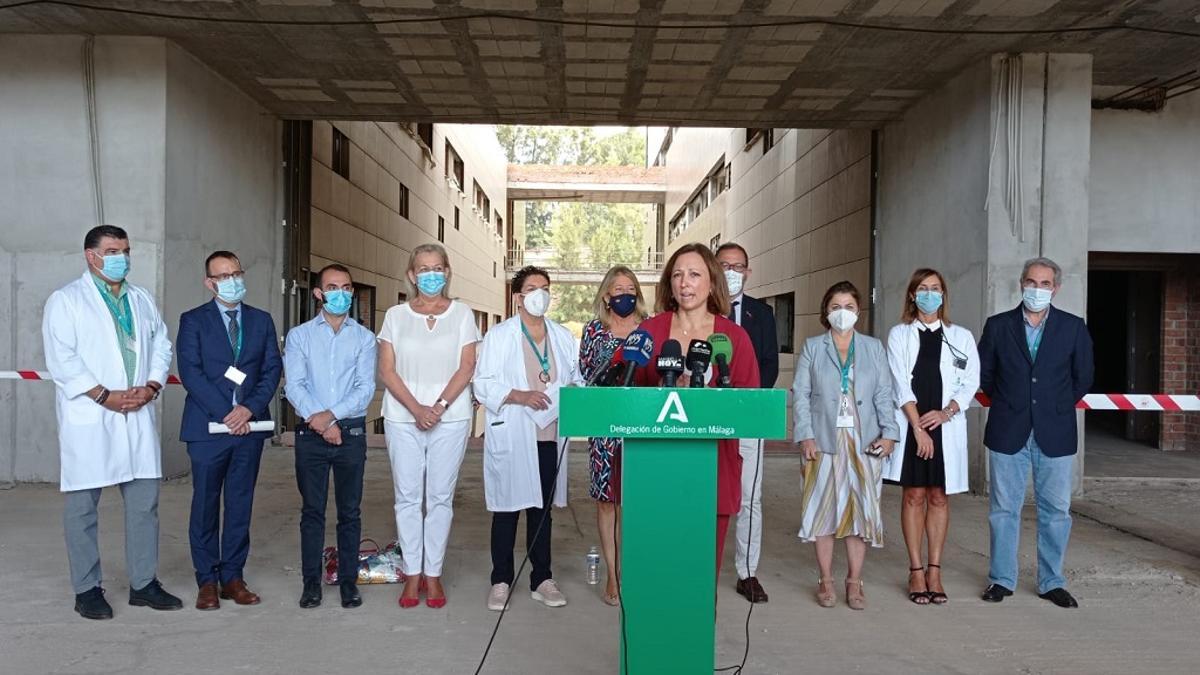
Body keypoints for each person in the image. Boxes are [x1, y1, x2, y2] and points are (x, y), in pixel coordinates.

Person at [42, 225, 183, 620]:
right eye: (112, 250)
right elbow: (62, 358)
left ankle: (143, 584)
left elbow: (161, 342)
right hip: (91, 414)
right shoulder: (67, 300)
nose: (121, 257)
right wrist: (104, 395)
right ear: (91, 256)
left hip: (137, 410)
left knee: (144, 505)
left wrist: (152, 385)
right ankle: (87, 589)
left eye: (125, 249)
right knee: (83, 509)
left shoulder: (140, 298)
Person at [632, 243, 760, 578]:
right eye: (676, 275)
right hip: (655, 471)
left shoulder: (734, 337)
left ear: (711, 282)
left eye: (693, 274)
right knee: (656, 573)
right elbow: (627, 396)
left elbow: (748, 406)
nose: (683, 282)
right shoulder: (649, 331)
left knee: (701, 576)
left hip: (713, 469)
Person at [978, 257, 1093, 608]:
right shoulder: (998, 326)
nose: (1037, 289)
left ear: (1055, 288)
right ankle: (1001, 579)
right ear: (1021, 284)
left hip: (1054, 431)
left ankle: (1051, 582)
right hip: (1008, 428)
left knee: (1056, 511)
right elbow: (984, 375)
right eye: (1031, 281)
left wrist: (1050, 405)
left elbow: (1083, 378)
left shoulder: (1073, 327)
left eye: (1045, 284)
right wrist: (1015, 403)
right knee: (1003, 509)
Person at [177, 250, 282, 610]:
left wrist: (248, 409)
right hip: (208, 427)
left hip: (248, 428)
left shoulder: (261, 320)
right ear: (209, 282)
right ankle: (206, 580)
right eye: (223, 276)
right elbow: (191, 372)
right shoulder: (193, 321)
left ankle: (232, 577)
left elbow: (271, 370)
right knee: (205, 504)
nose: (232, 280)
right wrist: (227, 412)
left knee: (240, 503)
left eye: (236, 273)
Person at [378, 244, 480, 609]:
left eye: (437, 268)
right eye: (423, 269)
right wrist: (416, 408)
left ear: (448, 271)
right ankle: (411, 573)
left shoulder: (463, 314)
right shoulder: (395, 315)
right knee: (407, 497)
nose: (431, 274)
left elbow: (466, 366)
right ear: (411, 275)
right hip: (403, 417)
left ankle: (433, 574)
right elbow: (387, 370)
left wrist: (436, 407)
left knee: (439, 498)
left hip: (449, 418)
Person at [474, 266, 582, 611]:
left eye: (545, 288)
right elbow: (483, 383)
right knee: (507, 508)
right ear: (518, 297)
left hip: (548, 433)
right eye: (533, 288)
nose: (540, 294)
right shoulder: (500, 335)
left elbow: (576, 378)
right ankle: (501, 580)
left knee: (541, 510)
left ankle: (542, 579)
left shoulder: (563, 336)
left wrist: (573, 390)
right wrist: (520, 395)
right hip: (514, 430)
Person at [792, 281, 899, 610]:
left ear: (858, 312)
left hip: (864, 439)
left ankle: (855, 581)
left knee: (860, 513)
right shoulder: (813, 346)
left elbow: (884, 393)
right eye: (836, 306)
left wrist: (890, 433)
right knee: (823, 511)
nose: (843, 313)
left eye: (849, 307)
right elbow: (801, 394)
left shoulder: (872, 347)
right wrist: (805, 435)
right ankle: (825, 579)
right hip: (823, 439)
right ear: (827, 311)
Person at [283, 264, 377, 610]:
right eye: (333, 287)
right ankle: (312, 582)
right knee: (313, 511)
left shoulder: (365, 339)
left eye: (347, 287)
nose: (341, 293)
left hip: (350, 435)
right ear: (319, 293)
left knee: (350, 512)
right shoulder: (300, 336)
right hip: (311, 437)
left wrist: (332, 416)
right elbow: (295, 385)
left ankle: (348, 582)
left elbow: (365, 388)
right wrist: (321, 422)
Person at [884, 269, 979, 605]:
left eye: (935, 289)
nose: (929, 294)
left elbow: (970, 382)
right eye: (923, 289)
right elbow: (899, 382)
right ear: (912, 295)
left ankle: (934, 570)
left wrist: (946, 413)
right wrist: (918, 428)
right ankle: (915, 569)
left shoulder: (961, 336)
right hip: (912, 423)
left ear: (943, 295)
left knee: (939, 496)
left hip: (945, 425)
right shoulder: (899, 334)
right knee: (913, 496)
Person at [578, 265, 648, 606]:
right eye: (618, 290)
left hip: (642, 424)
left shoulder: (649, 328)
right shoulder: (595, 330)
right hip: (605, 424)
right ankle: (612, 573)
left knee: (632, 502)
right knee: (607, 501)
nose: (625, 295)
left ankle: (634, 569)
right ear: (606, 296)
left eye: (630, 288)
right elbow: (587, 372)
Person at [714, 242, 778, 604]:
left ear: (748, 272)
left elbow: (768, 363)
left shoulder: (762, 314)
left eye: (738, 266)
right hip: (708, 420)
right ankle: (701, 563)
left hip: (749, 417)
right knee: (709, 493)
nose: (732, 272)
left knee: (750, 496)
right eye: (724, 265)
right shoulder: (700, 311)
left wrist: (746, 404)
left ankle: (747, 572)